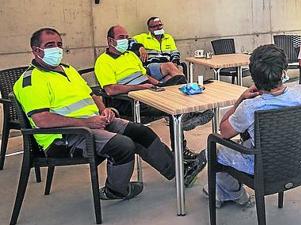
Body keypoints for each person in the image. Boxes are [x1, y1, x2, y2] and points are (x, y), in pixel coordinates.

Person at [13, 27, 180, 200]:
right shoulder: (30, 81)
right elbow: (42, 120)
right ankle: (115, 190)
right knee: (123, 146)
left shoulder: (68, 69)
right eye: (50, 45)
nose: (56, 49)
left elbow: (91, 95)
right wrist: (88, 123)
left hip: (93, 123)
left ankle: (178, 171)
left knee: (141, 132)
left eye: (59, 44)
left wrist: (104, 110)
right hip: (63, 138)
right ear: (35, 50)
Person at [94, 24, 210, 184]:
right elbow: (111, 90)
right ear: (110, 40)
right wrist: (140, 87)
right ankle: (184, 128)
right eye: (121, 38)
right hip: (130, 100)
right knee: (173, 110)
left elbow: (145, 76)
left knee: (178, 81)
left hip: (148, 92)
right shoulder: (103, 61)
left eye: (127, 37)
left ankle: (185, 126)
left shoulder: (130, 56)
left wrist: (159, 86)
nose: (125, 41)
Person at [203, 44, 301, 208]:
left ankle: (235, 194)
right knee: (247, 143)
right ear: (283, 71)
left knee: (214, 149)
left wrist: (241, 99)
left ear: (255, 77)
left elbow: (224, 131)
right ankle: (226, 193)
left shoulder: (250, 107)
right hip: (298, 159)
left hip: (263, 167)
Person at [132, 17, 185, 84]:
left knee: (175, 72)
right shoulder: (143, 38)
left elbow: (175, 52)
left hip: (168, 66)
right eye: (155, 26)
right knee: (171, 67)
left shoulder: (168, 37)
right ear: (149, 29)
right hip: (152, 66)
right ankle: (186, 87)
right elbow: (129, 41)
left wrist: (175, 62)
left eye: (160, 25)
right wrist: (140, 47)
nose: (158, 28)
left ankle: (161, 84)